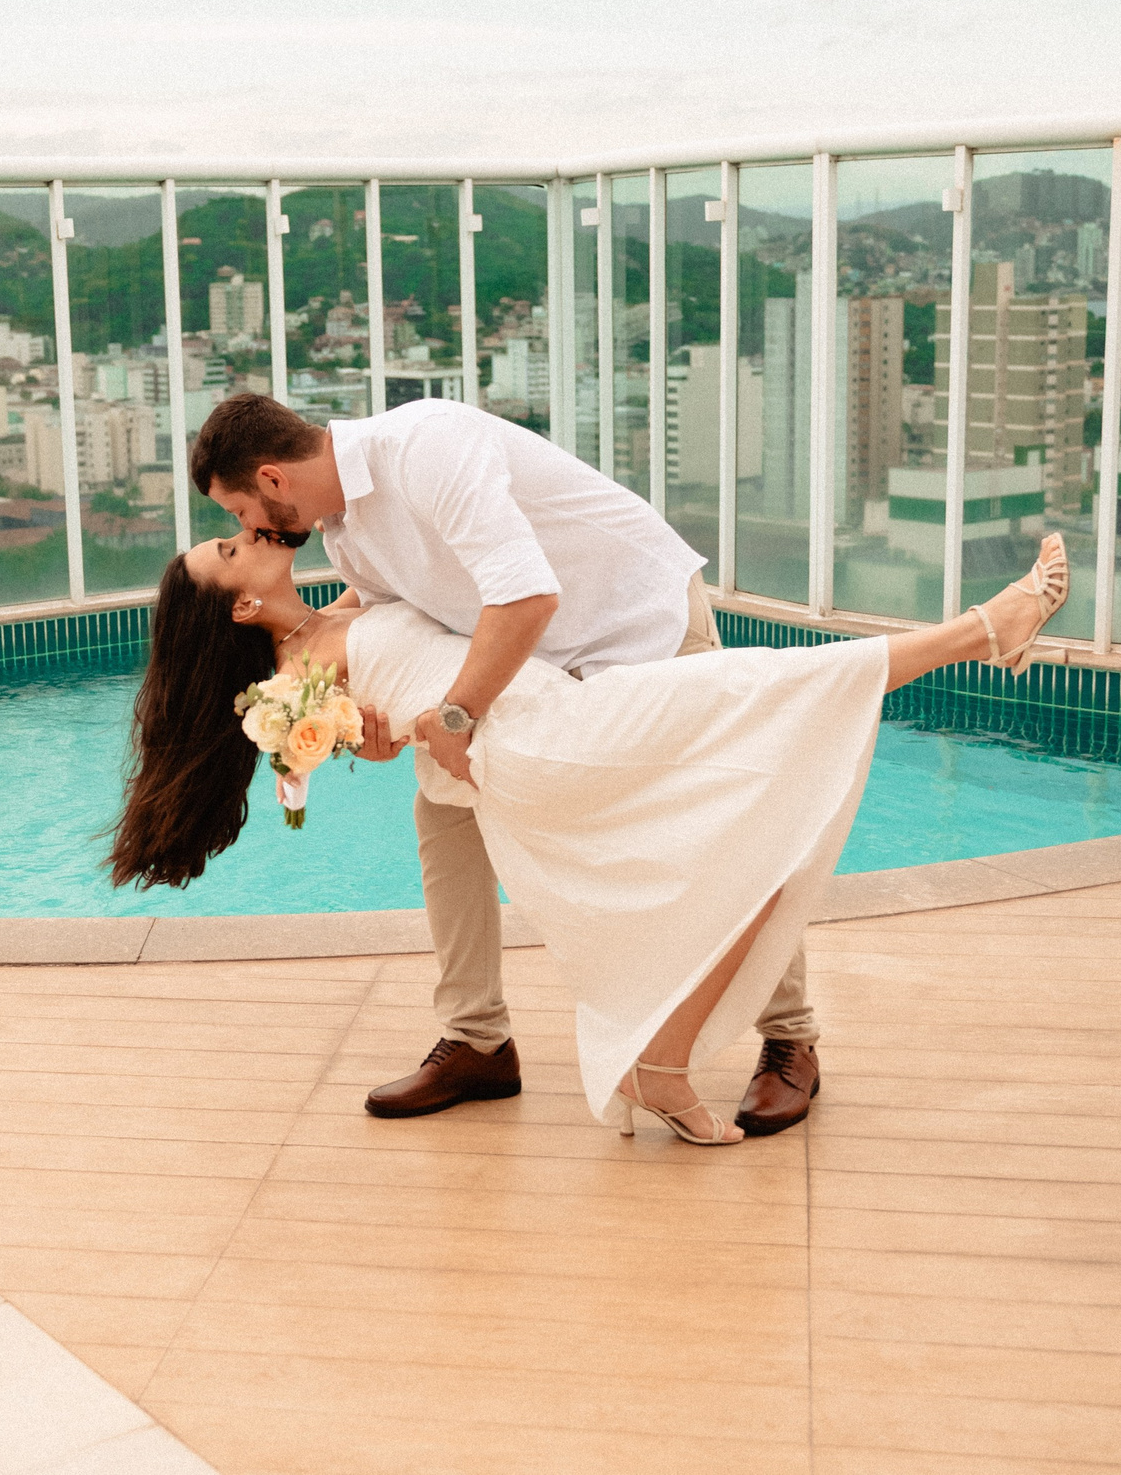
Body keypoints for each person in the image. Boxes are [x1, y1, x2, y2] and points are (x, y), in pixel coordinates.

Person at [107, 519, 1067, 1144]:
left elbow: (405, 706)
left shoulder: (343, 608)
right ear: (237, 601)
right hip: (548, 742)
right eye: (228, 551)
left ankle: (662, 1064)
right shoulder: (288, 683)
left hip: (563, 716)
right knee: (771, 690)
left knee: (756, 834)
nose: (242, 536)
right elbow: (377, 745)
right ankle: (993, 624)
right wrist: (355, 733)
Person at [192, 393, 822, 1134]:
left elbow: (526, 596)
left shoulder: (427, 447)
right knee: (444, 811)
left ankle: (790, 1037)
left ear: (271, 478)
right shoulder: (343, 532)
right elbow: (394, 611)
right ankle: (477, 1038)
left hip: (638, 619)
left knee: (725, 816)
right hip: (543, 666)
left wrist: (455, 714)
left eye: (239, 512)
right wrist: (355, 707)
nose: (249, 528)